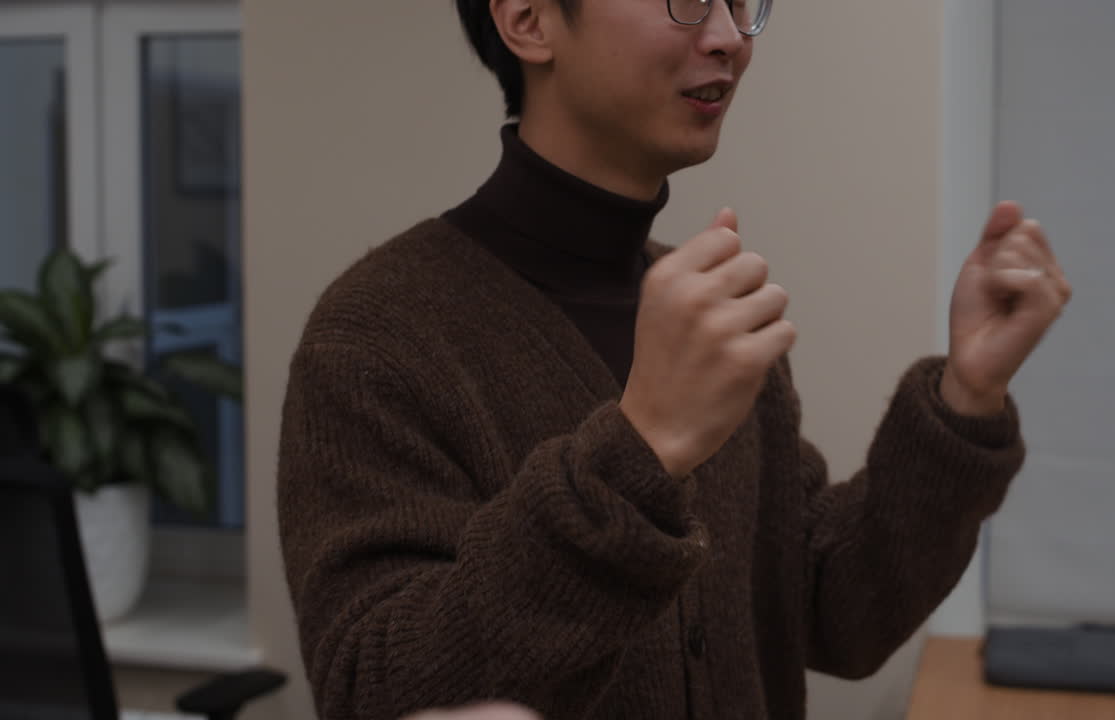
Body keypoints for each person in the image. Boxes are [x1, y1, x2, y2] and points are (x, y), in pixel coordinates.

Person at [276, 0, 1072, 718]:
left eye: (738, 2)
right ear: (528, 21)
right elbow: (370, 690)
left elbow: (833, 614)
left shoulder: (704, 315)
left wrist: (968, 393)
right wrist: (642, 447)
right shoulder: (376, 337)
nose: (729, 37)